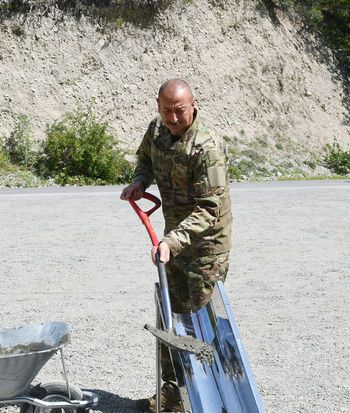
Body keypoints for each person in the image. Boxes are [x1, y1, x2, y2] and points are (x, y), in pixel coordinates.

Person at [120, 78, 232, 412]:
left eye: (179, 111)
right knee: (170, 315)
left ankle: (204, 398)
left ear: (193, 105)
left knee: (199, 321)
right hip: (173, 242)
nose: (172, 118)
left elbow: (209, 209)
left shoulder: (207, 147)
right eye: (166, 110)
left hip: (205, 248)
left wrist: (173, 241)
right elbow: (145, 159)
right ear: (157, 106)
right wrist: (140, 181)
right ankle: (171, 394)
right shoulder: (157, 130)